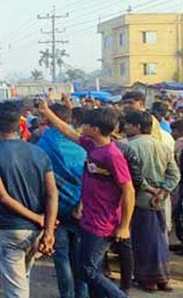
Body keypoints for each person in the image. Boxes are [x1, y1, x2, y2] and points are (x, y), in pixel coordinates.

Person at [39, 101, 134, 298]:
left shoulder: (112, 155)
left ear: (95, 129)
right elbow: (66, 131)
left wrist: (124, 225)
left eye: (85, 124)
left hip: (103, 222)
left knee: (88, 269)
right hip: (89, 218)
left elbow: (128, 190)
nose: (80, 127)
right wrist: (47, 112)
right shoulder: (91, 146)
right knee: (87, 268)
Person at [0, 101, 58, 298]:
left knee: (17, 291)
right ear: (20, 126)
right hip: (36, 231)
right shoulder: (39, 153)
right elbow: (52, 194)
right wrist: (48, 229)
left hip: (12, 229)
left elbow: (3, 197)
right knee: (22, 280)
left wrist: (38, 219)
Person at [121, 110, 180, 292]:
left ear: (137, 126)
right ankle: (162, 277)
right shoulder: (163, 146)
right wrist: (163, 191)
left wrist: (151, 189)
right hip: (159, 200)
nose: (125, 128)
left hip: (138, 200)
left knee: (141, 241)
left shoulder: (127, 146)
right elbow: (175, 174)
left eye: (128, 124)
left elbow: (133, 177)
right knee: (160, 240)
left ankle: (148, 279)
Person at [36, 103, 88, 298]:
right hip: (82, 206)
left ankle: (66, 295)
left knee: (62, 257)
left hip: (56, 208)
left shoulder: (42, 145)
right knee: (80, 259)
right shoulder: (82, 143)